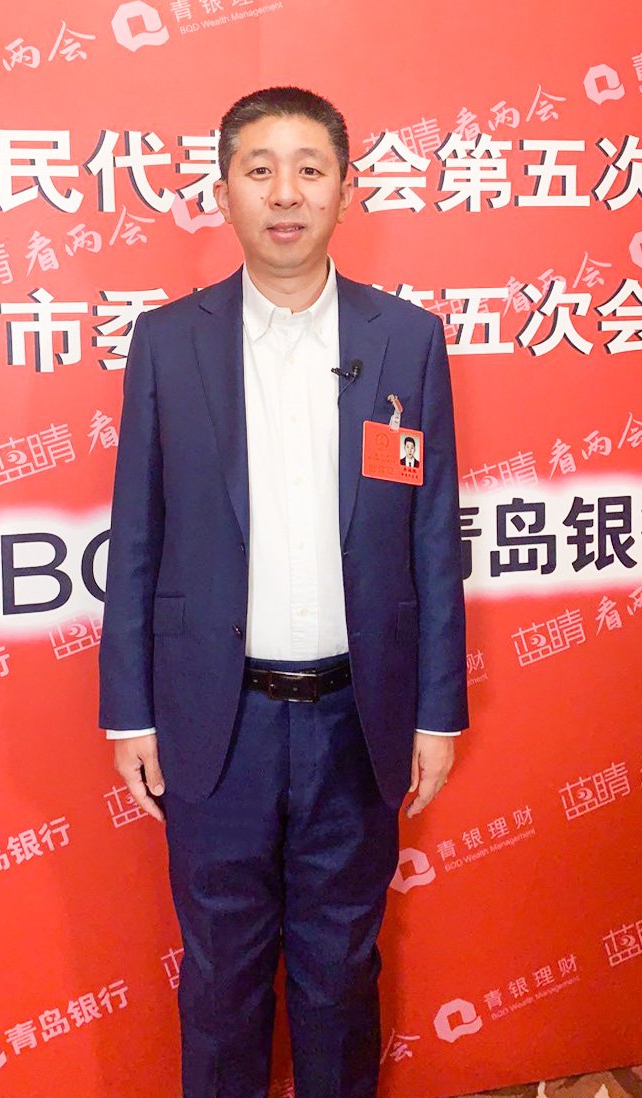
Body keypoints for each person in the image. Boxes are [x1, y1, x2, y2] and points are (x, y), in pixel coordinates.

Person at [99, 86, 468, 1098]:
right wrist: (129, 710)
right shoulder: (168, 342)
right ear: (224, 191)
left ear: (346, 188)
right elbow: (137, 535)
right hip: (215, 721)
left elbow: (432, 536)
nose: (285, 192)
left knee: (342, 972)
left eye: (310, 168)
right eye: (259, 169)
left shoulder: (406, 340)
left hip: (359, 715)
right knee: (221, 976)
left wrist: (439, 710)